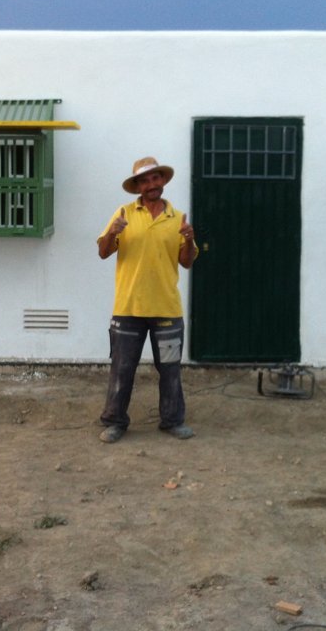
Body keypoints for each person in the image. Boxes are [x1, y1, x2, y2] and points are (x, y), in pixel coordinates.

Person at [96, 156, 199, 444]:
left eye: (156, 178)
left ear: (163, 181)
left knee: (170, 369)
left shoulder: (177, 219)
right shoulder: (123, 213)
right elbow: (104, 252)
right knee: (122, 368)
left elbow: (187, 262)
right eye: (145, 180)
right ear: (138, 186)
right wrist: (112, 233)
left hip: (167, 308)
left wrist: (190, 239)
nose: (151, 184)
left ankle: (172, 420)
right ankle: (115, 422)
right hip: (128, 308)